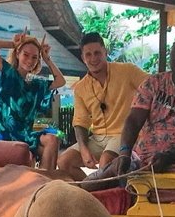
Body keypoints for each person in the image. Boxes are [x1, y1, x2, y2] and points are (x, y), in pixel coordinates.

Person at [83, 34, 175, 187]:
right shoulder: (154, 83)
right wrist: (124, 152)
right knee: (93, 182)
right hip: (140, 156)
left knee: (114, 187)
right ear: (171, 55)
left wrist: (170, 156)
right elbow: (134, 120)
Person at [57, 32, 148, 180]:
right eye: (88, 54)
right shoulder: (80, 88)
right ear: (83, 58)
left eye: (97, 53)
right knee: (63, 161)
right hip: (98, 138)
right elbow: (80, 122)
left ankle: (101, 195)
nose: (93, 58)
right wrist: (83, 149)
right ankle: (90, 194)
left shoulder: (127, 71)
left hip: (125, 134)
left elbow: (153, 87)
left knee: (106, 161)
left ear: (105, 52)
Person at [0, 32, 66, 170]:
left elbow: (61, 81)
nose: (30, 60)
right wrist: (14, 44)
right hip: (5, 132)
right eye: (26, 54)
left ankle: (44, 182)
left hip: (27, 132)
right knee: (52, 139)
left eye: (35, 57)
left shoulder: (35, 85)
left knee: (54, 138)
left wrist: (47, 59)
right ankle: (44, 180)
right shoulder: (7, 72)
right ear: (17, 54)